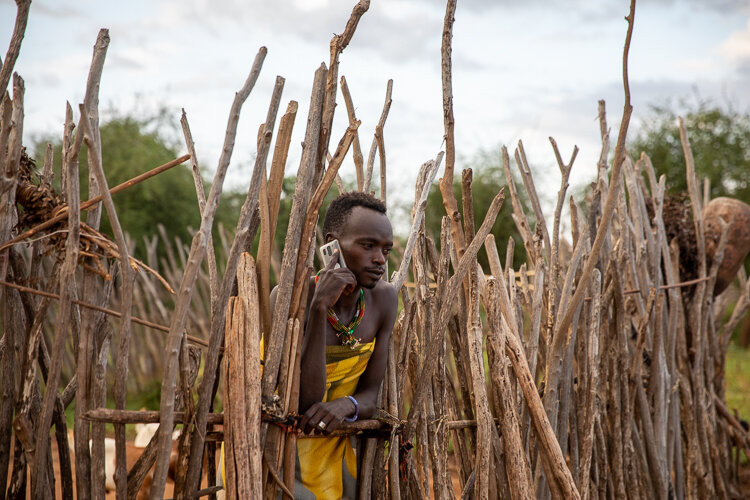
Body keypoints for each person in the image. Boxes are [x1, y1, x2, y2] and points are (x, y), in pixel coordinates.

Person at [280, 191, 398, 499]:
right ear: (332, 245)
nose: (380, 260)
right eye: (368, 245)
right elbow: (305, 402)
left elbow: (372, 393)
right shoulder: (290, 298)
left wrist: (348, 404)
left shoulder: (384, 299)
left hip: (338, 445)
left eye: (386, 249)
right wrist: (319, 308)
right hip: (282, 449)